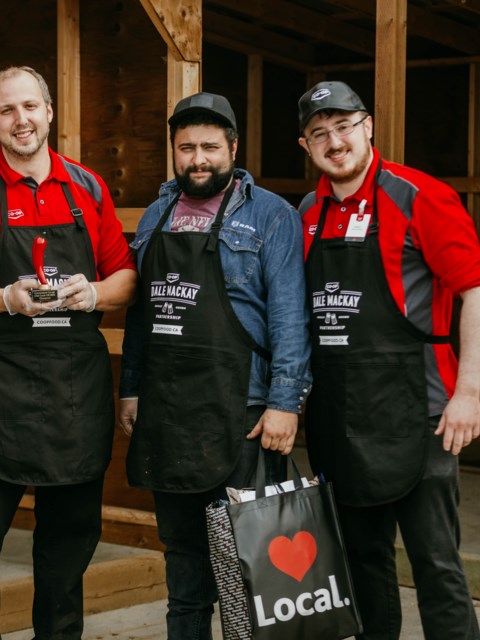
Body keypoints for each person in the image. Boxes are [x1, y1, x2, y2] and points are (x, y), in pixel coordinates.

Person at [0, 65, 136, 639]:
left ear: (50, 112)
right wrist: (3, 299)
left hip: (74, 397)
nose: (21, 120)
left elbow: (127, 278)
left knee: (66, 556)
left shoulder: (87, 188)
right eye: (7, 110)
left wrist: (93, 293)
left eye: (31, 107)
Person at [296, 80, 480, 640]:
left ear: (368, 128)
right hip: (341, 419)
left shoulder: (419, 196)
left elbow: (478, 288)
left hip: (422, 414)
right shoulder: (308, 211)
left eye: (343, 126)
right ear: (305, 145)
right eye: (319, 133)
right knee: (361, 564)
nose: (334, 142)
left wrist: (468, 393)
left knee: (436, 565)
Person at [118, 92, 312, 639]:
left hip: (242, 410)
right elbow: (141, 315)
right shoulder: (156, 215)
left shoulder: (271, 214)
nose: (197, 158)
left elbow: (290, 317)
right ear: (174, 152)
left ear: (232, 147)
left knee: (245, 566)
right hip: (168, 410)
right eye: (186, 148)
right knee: (182, 561)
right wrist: (130, 389)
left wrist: (283, 402)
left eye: (208, 146)